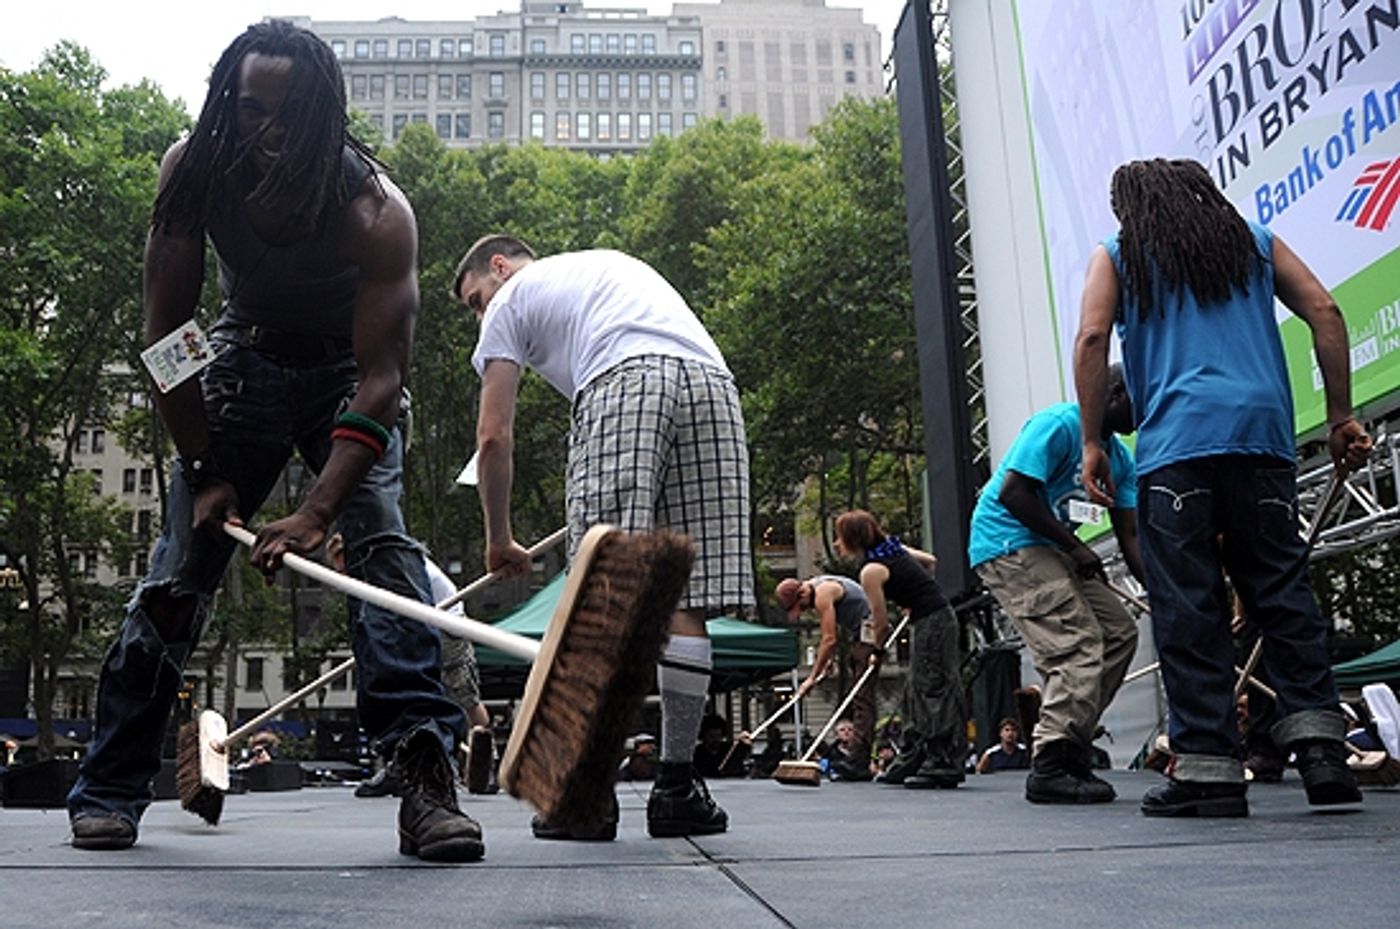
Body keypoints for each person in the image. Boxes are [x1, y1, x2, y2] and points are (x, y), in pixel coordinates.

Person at [65, 21, 481, 862]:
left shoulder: (376, 210)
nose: (271, 134)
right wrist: (203, 466)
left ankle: (425, 783)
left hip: (345, 374)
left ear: (327, 115)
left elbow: (381, 380)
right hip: (240, 356)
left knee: (385, 558)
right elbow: (168, 332)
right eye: (252, 111)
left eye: (292, 117)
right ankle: (109, 787)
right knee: (176, 573)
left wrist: (318, 510)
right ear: (229, 103)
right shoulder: (195, 168)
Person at [1075, 157, 1369, 817]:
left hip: (1176, 450)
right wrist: (1340, 415)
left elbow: (1093, 337)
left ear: (1130, 208)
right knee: (1282, 595)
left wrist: (1094, 441)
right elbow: (1324, 309)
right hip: (1261, 440)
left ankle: (1209, 771)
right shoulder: (1254, 242)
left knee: (1189, 606)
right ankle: (1323, 755)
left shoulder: (1119, 254)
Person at [453, 234, 752, 840]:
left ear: (499, 267)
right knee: (685, 603)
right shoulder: (602, 269)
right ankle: (677, 787)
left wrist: (498, 538)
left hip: (625, 381)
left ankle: (585, 797)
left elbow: (492, 436)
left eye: (475, 300)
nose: (480, 316)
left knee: (603, 600)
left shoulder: (511, 300)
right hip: (713, 385)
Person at [968, 363, 1143, 804]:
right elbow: (1013, 493)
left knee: (1119, 632)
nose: (1148, 410)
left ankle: (1073, 739)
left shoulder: (1121, 459)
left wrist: (1166, 593)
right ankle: (1050, 761)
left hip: (1053, 548)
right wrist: (1075, 547)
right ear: (1114, 393)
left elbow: (1130, 535)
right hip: (1008, 541)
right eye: (1142, 398)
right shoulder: (1059, 424)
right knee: (1076, 642)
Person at [326, 533, 495, 798]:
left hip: (445, 623)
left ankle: (487, 760)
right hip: (418, 624)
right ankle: (402, 763)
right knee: (399, 693)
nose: (344, 576)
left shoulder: (394, 563)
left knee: (463, 695)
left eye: (344, 568)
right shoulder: (375, 569)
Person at [834, 510, 967, 789]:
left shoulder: (871, 571)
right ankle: (912, 758)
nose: (837, 543)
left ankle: (941, 763)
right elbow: (930, 562)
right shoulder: (893, 548)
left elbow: (880, 623)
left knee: (931, 689)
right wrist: (913, 595)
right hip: (936, 617)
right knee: (915, 691)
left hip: (932, 622)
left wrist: (878, 650)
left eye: (840, 537)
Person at [776, 573, 879, 780]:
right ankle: (858, 758)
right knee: (859, 696)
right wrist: (828, 660)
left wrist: (811, 678)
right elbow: (833, 628)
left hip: (872, 633)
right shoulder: (818, 588)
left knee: (862, 697)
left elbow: (829, 638)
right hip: (860, 634)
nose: (805, 611)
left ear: (802, 592)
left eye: (802, 606)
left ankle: (859, 761)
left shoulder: (823, 593)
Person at [693, 714, 750, 779]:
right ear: (704, 737)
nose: (716, 739)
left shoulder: (730, 750)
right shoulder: (697, 754)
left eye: (719, 736)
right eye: (712, 736)